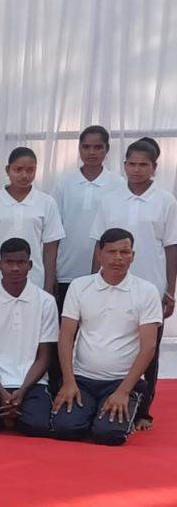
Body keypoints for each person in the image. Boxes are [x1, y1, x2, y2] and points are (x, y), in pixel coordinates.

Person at [90, 139, 177, 430]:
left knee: (148, 349)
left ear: (154, 168)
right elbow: (98, 244)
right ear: (124, 165)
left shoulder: (166, 201)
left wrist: (170, 290)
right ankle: (102, 397)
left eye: (143, 165)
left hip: (151, 287)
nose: (137, 169)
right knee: (108, 340)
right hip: (110, 283)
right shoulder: (109, 200)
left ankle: (142, 410)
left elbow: (172, 247)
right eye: (132, 164)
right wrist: (92, 281)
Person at [52, 228, 161, 445]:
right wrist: (69, 381)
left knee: (109, 435)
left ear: (133, 256)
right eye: (111, 252)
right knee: (65, 428)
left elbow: (148, 347)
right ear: (99, 253)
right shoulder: (79, 286)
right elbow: (66, 336)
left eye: (124, 252)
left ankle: (129, 403)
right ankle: (93, 410)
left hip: (121, 382)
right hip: (82, 379)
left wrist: (123, 391)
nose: (118, 258)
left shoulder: (147, 291)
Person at [0, 238, 57, 435]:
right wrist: (1, 392)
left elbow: (44, 356)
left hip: (32, 382)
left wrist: (22, 390)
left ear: (30, 265)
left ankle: (10, 413)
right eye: (9, 262)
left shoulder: (46, 302)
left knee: (38, 426)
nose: (15, 268)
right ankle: (7, 412)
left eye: (21, 262)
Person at [0, 147, 64, 295]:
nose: (24, 175)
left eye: (30, 170)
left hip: (34, 280)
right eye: (18, 170)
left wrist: (48, 287)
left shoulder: (46, 202)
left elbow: (50, 250)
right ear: (7, 170)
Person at [53, 125, 123, 311]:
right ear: (79, 148)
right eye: (86, 147)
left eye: (98, 147)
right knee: (67, 323)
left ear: (107, 149)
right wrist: (52, 272)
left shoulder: (118, 184)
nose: (92, 152)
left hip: (106, 272)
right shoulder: (64, 183)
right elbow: (53, 231)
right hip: (66, 270)